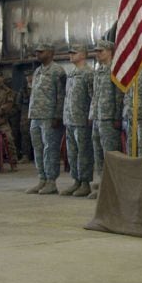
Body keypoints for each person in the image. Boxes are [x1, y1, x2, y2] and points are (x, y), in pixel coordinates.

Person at [25, 44, 66, 195]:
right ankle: (42, 178)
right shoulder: (37, 71)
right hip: (35, 115)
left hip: (50, 116)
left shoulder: (58, 71)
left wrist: (58, 115)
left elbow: (61, 95)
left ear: (51, 53)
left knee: (50, 149)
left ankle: (51, 181)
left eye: (41, 52)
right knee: (38, 148)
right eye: (37, 52)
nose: (38, 54)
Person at [89, 40, 124, 199]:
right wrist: (92, 114)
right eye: (96, 51)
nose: (97, 54)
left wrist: (117, 116)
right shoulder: (99, 70)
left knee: (109, 153)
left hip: (109, 118)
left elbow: (118, 95)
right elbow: (94, 94)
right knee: (97, 152)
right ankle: (102, 182)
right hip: (98, 116)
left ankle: (112, 186)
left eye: (101, 51)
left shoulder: (115, 70)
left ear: (110, 51)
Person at [60, 45, 94, 197]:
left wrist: (90, 116)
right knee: (72, 152)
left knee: (83, 152)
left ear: (83, 55)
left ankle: (85, 183)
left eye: (74, 53)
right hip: (70, 118)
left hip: (82, 119)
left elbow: (93, 97)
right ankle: (76, 181)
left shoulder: (88, 74)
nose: (71, 55)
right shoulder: (72, 73)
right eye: (70, 53)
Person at [0, 69, 18, 167]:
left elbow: (8, 105)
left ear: (2, 78)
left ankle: (13, 162)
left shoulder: (8, 91)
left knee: (9, 138)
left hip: (1, 121)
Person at [17, 73, 33, 163]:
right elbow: (18, 103)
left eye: (30, 76)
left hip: (36, 113)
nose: (29, 78)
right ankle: (25, 155)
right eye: (27, 76)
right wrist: (24, 112)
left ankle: (37, 155)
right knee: (25, 135)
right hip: (25, 114)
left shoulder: (37, 87)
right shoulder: (23, 89)